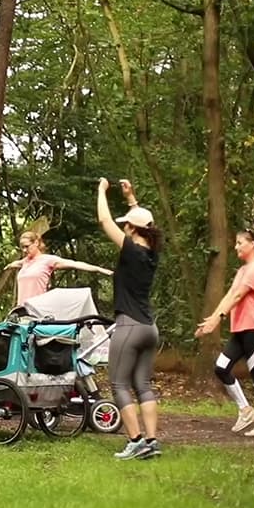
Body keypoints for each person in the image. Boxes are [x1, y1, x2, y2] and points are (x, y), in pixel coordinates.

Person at [96, 178, 163, 460]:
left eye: (127, 225)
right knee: (142, 385)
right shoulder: (152, 253)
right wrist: (131, 198)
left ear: (132, 230)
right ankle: (152, 441)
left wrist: (101, 191)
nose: (123, 227)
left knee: (119, 384)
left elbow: (104, 220)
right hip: (149, 328)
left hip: (130, 326)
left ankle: (135, 441)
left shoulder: (131, 250)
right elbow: (145, 223)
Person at [194, 228, 254, 438]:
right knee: (221, 368)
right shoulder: (242, 270)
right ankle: (245, 410)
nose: (236, 247)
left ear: (253, 244)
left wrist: (218, 319)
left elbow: (239, 295)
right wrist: (212, 319)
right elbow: (230, 295)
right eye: (236, 243)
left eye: (240, 243)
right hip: (240, 330)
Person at [4, 230, 112, 305]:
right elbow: (16, 263)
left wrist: (99, 269)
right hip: (21, 309)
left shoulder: (47, 260)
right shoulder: (25, 262)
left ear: (36, 243)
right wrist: (9, 265)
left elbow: (74, 264)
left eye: (27, 246)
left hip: (37, 308)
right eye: (22, 247)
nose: (24, 250)